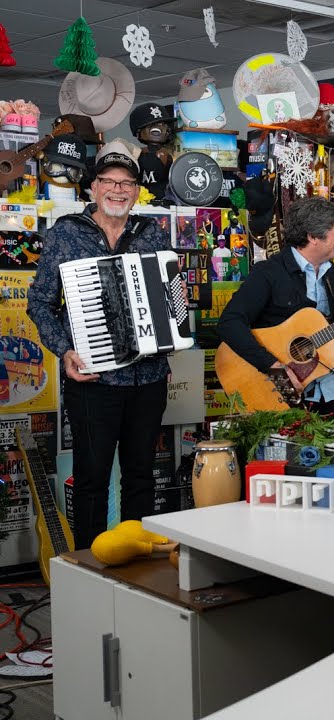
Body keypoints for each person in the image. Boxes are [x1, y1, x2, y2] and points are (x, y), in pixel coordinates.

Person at [28, 140, 172, 548]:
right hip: (93, 379)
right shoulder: (66, 234)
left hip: (149, 378)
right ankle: (91, 568)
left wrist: (172, 329)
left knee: (141, 472)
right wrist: (66, 351)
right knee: (92, 476)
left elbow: (170, 296)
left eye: (126, 183)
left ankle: (137, 557)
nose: (117, 189)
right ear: (92, 188)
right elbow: (39, 302)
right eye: (108, 181)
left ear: (137, 190)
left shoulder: (153, 235)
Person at [218, 197, 334, 418]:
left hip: (329, 391)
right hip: (280, 395)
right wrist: (273, 366)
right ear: (312, 237)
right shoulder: (269, 273)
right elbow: (229, 323)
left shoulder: (331, 275)